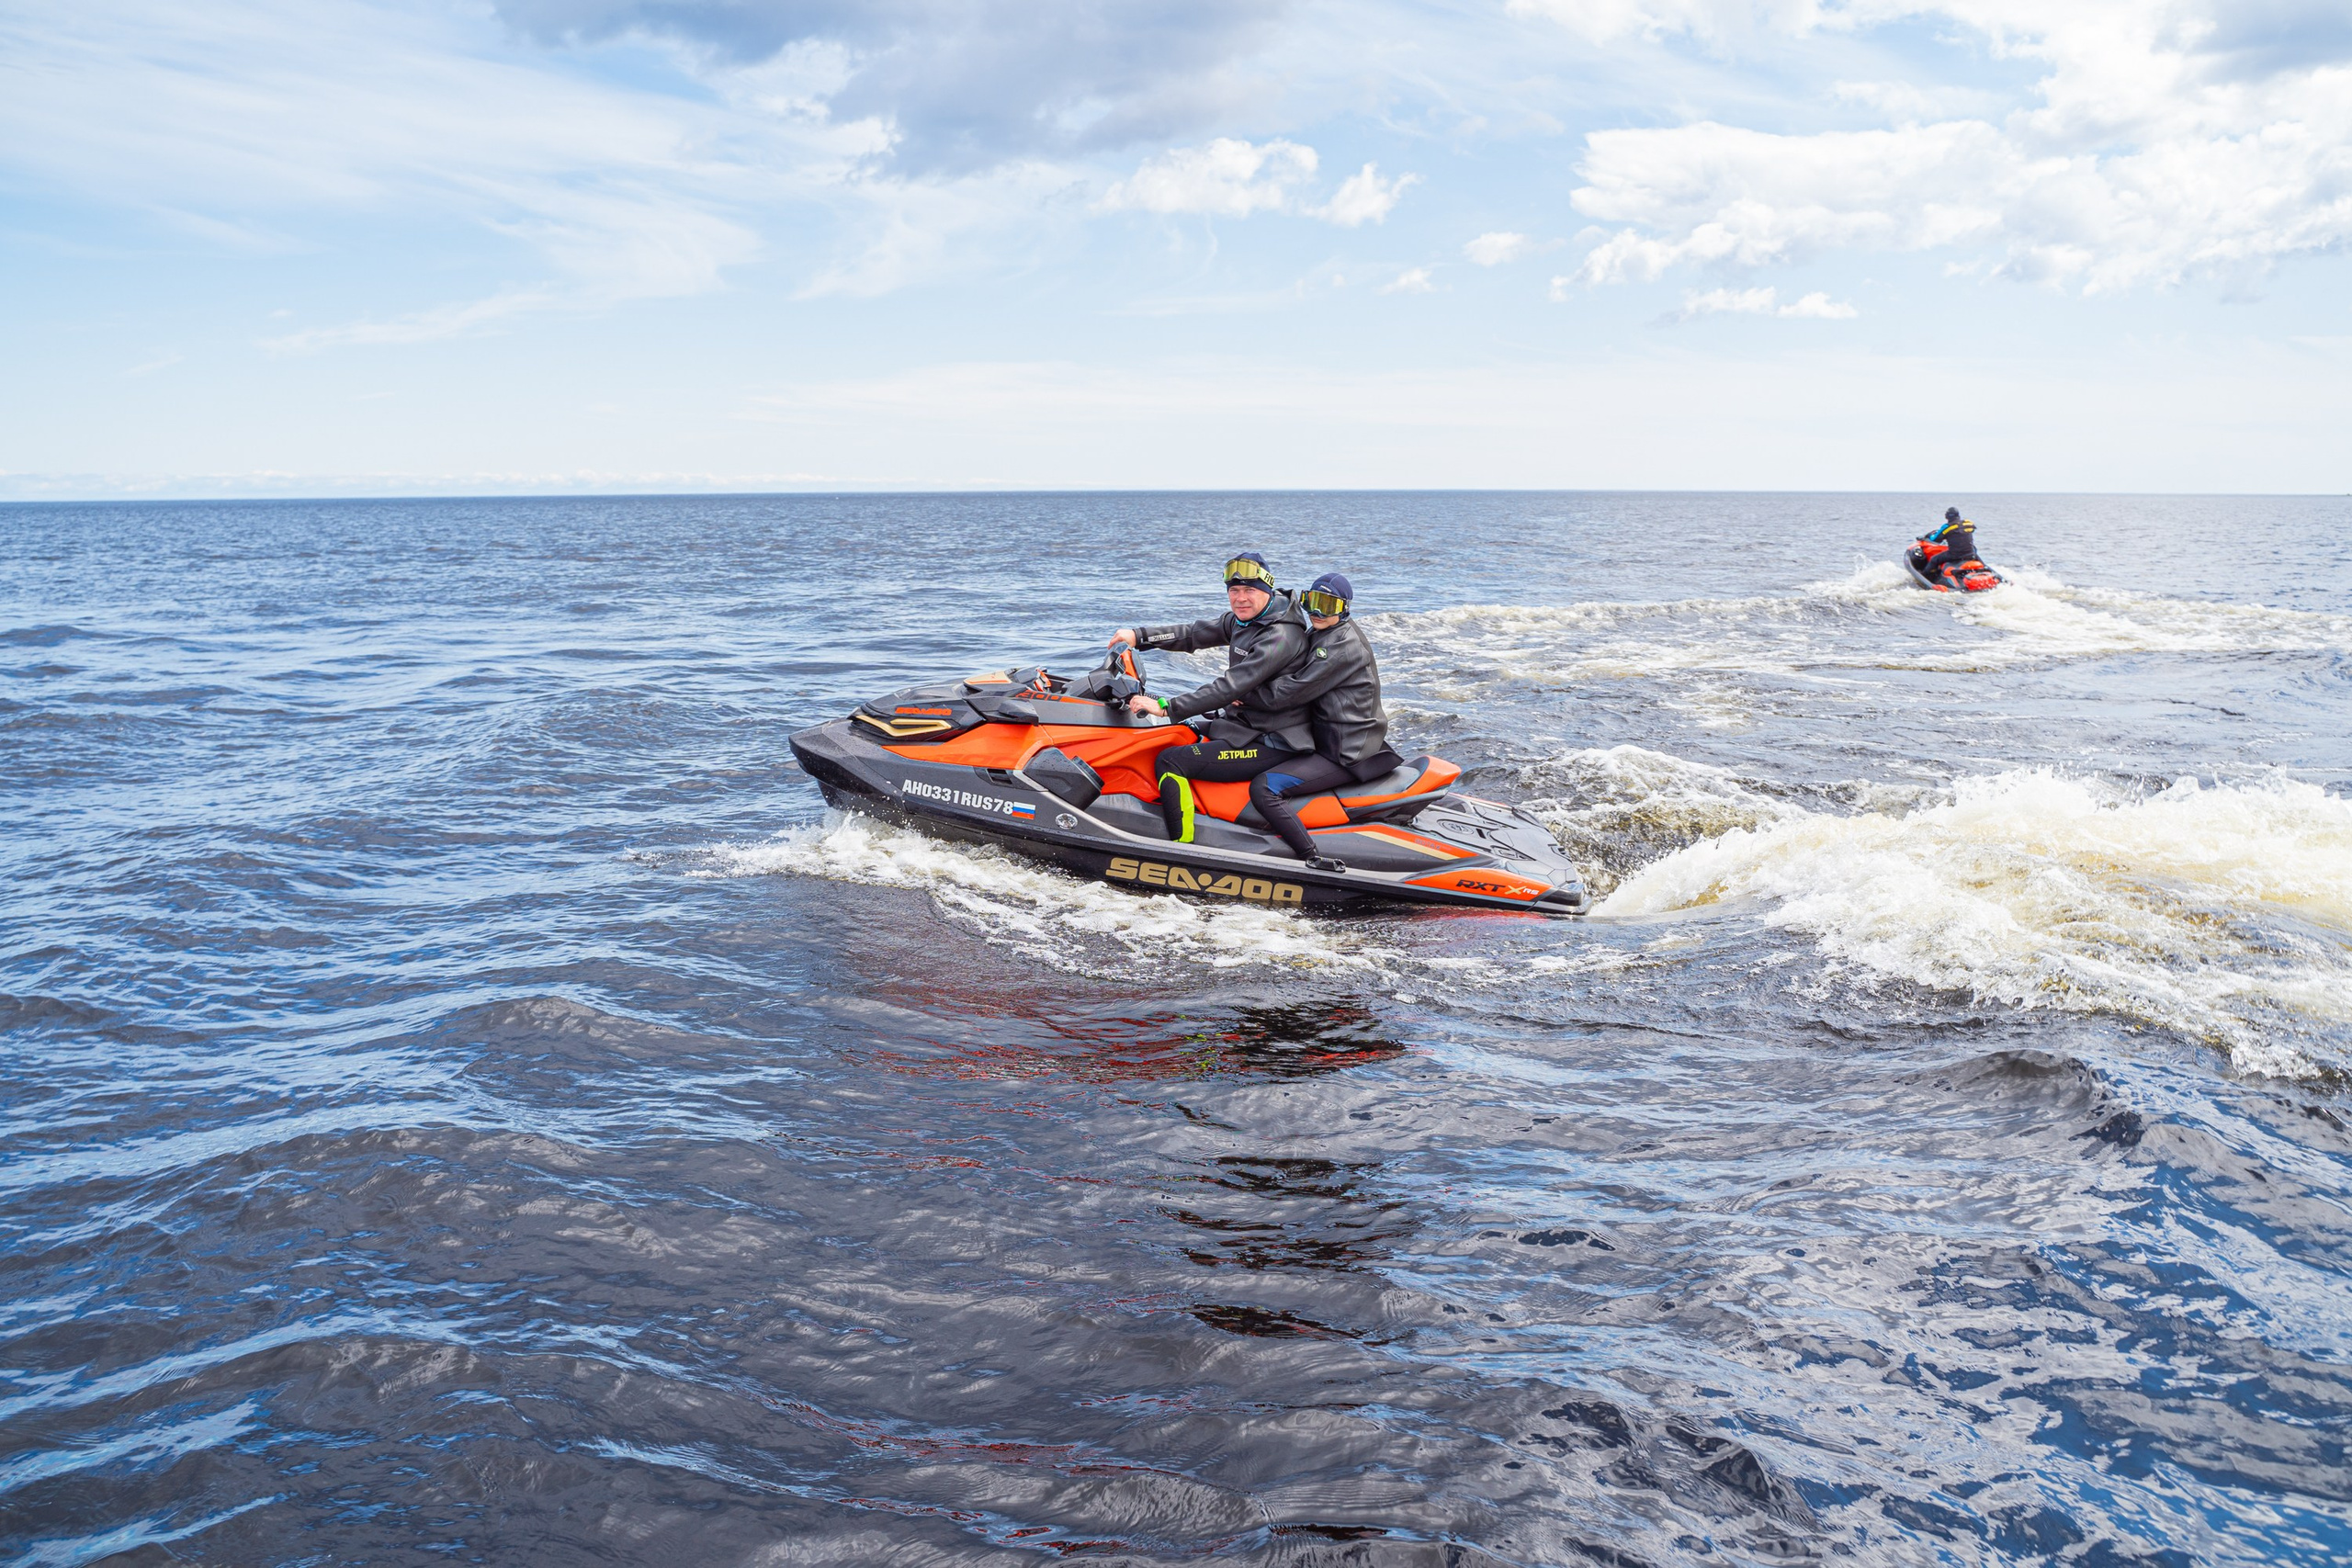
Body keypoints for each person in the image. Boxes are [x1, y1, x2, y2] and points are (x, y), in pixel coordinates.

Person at [1107, 552, 1313, 843]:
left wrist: (1167, 706)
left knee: (1170, 761)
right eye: (1234, 590)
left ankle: (1181, 847)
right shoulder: (1247, 620)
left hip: (1274, 741)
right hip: (1244, 726)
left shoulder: (1280, 636)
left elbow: (1229, 687)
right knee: (1170, 734)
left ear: (1267, 590)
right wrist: (1139, 636)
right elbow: (1193, 634)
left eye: (1249, 590)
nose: (1240, 598)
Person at [1238, 572, 1404, 873]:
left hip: (1344, 752)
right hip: (1328, 737)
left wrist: (1242, 694)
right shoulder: (1323, 632)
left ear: (1344, 609)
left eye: (1326, 605)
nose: (1316, 612)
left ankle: (1311, 855)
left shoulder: (1341, 644)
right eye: (1312, 602)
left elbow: (1295, 689)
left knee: (1265, 787)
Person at [1913, 506, 1985, 583]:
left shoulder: (1947, 527)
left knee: (1934, 559)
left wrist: (1928, 536)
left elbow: (1936, 539)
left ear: (1947, 516)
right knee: (1977, 555)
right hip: (1970, 554)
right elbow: (1965, 533)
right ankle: (1985, 568)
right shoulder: (1968, 523)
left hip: (1955, 555)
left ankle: (1925, 577)